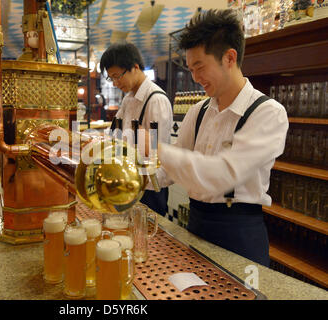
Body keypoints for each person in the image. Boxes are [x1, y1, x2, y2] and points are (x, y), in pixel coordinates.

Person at [144, 9, 288, 267]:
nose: (195, 77)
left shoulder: (269, 113)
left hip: (241, 234)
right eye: (190, 69)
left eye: (200, 67)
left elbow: (224, 173)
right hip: (196, 225)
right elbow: (168, 172)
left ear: (229, 58)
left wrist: (160, 150)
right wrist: (133, 178)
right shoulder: (197, 112)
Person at [100, 42, 173, 216]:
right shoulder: (128, 99)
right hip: (129, 183)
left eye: (118, 76)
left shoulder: (156, 100)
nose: (116, 83)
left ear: (135, 67)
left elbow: (158, 154)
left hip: (149, 188)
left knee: (150, 238)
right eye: (111, 78)